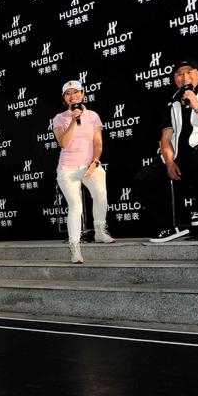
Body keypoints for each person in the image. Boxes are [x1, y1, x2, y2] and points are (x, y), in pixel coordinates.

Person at [133, 58, 198, 243]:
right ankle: (169, 227)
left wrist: (197, 105)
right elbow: (166, 138)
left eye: (189, 72)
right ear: (174, 78)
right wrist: (169, 162)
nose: (184, 76)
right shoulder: (172, 104)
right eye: (179, 73)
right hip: (180, 157)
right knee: (142, 180)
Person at [53, 80, 115, 264]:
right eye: (68, 93)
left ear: (83, 94)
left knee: (101, 195)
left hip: (90, 164)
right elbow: (63, 143)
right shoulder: (59, 118)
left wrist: (95, 161)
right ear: (65, 98)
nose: (73, 96)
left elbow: (97, 141)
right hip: (67, 168)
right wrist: (73, 120)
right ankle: (75, 246)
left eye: (76, 92)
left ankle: (100, 231)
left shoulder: (93, 116)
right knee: (75, 206)